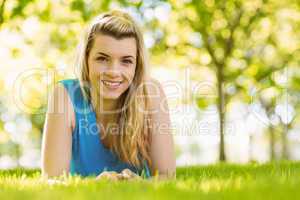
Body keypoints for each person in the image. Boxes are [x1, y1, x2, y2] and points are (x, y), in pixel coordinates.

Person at [41, 10, 176, 180]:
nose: (114, 72)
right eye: (102, 59)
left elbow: (166, 177)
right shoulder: (65, 96)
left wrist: (142, 184)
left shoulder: (150, 93)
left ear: (137, 65)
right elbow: (52, 180)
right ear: (86, 59)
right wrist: (94, 185)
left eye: (126, 61)